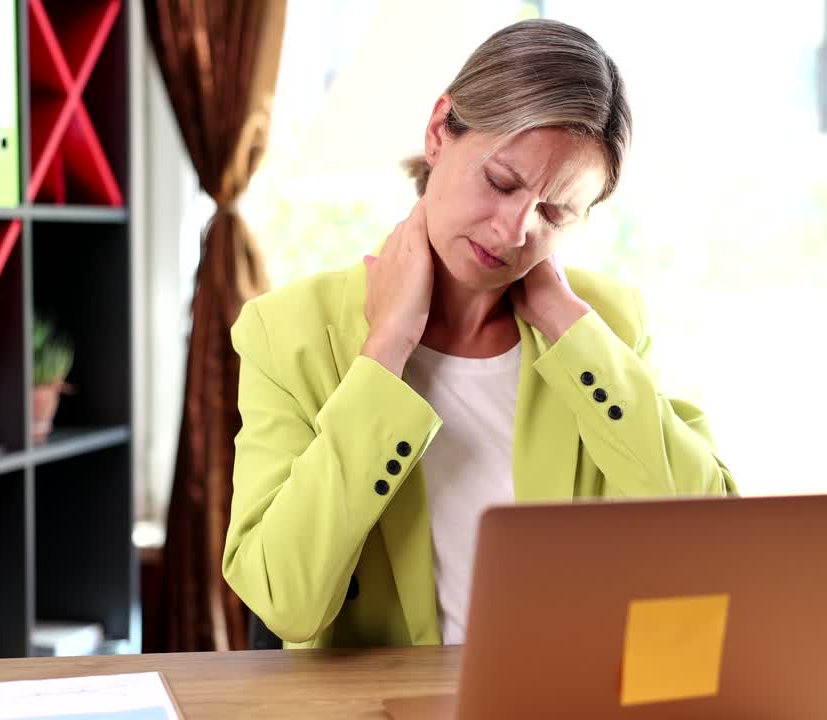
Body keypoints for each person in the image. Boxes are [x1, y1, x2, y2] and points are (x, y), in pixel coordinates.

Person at [223, 18, 736, 650]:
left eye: (554, 212)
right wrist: (384, 350)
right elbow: (284, 604)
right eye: (501, 182)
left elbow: (713, 541)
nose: (514, 230)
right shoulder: (289, 332)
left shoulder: (604, 328)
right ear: (440, 131)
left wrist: (566, 324)